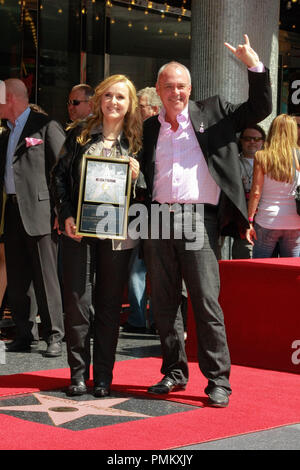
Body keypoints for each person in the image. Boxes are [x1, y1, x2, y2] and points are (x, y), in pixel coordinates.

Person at [140, 35, 272, 407]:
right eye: (168, 86)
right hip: (156, 219)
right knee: (163, 301)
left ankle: (218, 381)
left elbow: (259, 107)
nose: (175, 92)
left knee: (204, 300)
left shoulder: (213, 112)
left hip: (198, 218)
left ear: (190, 89)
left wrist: (254, 66)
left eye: (181, 86)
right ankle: (174, 371)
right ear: (158, 91)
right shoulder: (151, 129)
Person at [51, 74, 142, 398]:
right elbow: (59, 177)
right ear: (99, 100)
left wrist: (137, 176)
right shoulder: (78, 135)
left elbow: (149, 189)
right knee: (77, 304)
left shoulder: (138, 142)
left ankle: (103, 377)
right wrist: (66, 215)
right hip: (79, 232)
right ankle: (78, 375)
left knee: (107, 306)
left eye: (120, 97)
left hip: (117, 235)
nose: (113, 102)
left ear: (129, 103)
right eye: (108, 96)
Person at [0, 78, 65, 356]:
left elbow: (63, 169)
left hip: (41, 212)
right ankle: (26, 334)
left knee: (45, 277)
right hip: (13, 211)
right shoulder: (5, 134)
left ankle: (55, 335)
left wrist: (61, 211)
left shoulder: (46, 125)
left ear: (11, 98)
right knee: (17, 278)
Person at [122, 87, 161, 334]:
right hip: (137, 207)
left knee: (157, 266)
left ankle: (157, 318)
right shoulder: (132, 134)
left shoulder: (163, 134)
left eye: (141, 106)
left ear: (155, 109)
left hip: (156, 209)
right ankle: (138, 318)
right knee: (136, 265)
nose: (136, 110)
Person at [246, 114, 300, 257]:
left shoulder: (262, 156)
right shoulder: (298, 155)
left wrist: (250, 220)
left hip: (266, 220)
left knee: (261, 271)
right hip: (294, 221)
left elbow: (256, 191)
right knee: (292, 272)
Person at [231, 125, 266, 259]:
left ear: (263, 141)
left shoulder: (270, 162)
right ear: (241, 141)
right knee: (243, 256)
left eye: (256, 139)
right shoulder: (233, 162)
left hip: (265, 218)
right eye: (247, 139)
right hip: (240, 218)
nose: (252, 142)